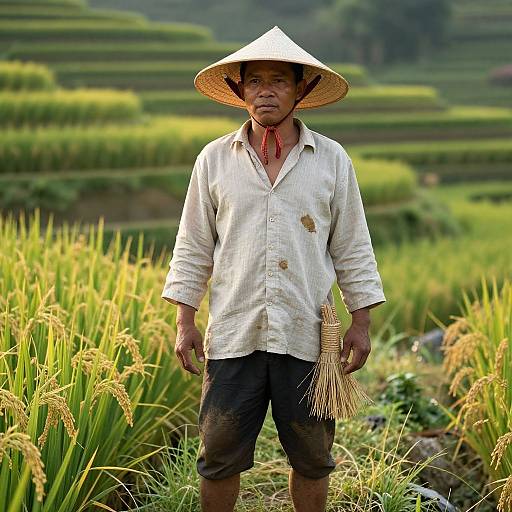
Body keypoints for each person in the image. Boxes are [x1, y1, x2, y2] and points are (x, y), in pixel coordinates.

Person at [161, 26, 386, 512]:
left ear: (300, 89)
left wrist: (361, 322)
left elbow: (352, 246)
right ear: (239, 90)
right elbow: (194, 245)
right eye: (255, 80)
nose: (266, 90)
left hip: (305, 336)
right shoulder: (215, 160)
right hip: (233, 334)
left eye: (279, 80)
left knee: (312, 457)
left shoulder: (330, 160)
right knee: (218, 456)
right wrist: (184, 321)